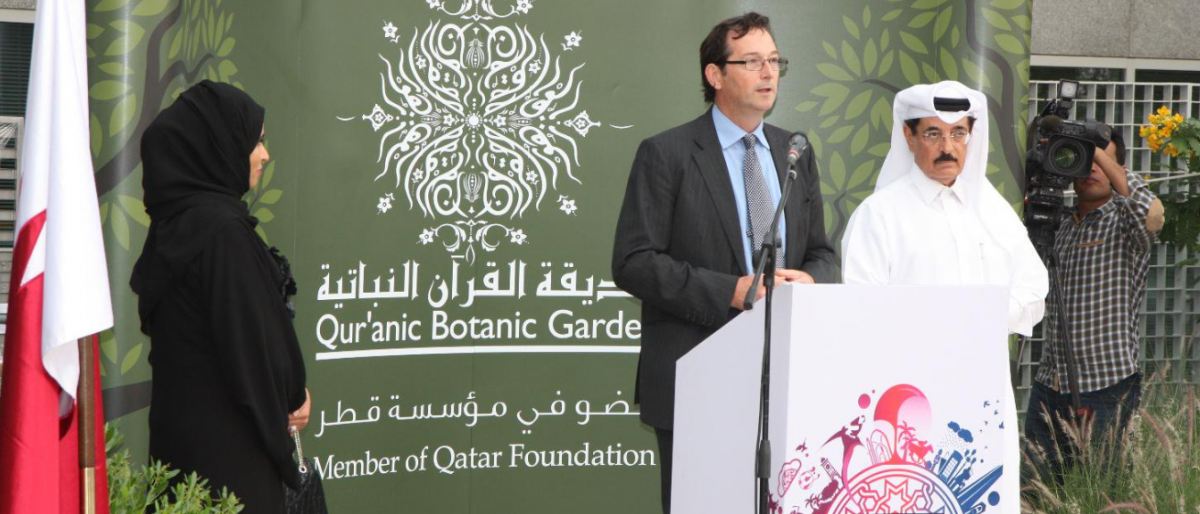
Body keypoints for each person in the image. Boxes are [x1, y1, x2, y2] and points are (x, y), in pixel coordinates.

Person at [611, 12, 838, 513]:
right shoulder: (667, 153)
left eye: (775, 61)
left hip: (787, 376)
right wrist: (728, 292)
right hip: (699, 372)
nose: (769, 72)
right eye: (752, 61)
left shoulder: (795, 152)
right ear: (715, 74)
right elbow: (633, 261)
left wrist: (811, 279)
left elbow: (822, 252)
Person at [840, 81, 1048, 508]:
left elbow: (1033, 288)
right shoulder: (879, 215)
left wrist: (982, 317)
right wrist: (936, 324)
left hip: (984, 395)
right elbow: (860, 310)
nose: (947, 147)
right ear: (909, 136)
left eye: (958, 134)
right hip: (910, 402)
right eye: (933, 133)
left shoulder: (992, 212)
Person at [131, 80, 310, 513]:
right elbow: (254, 345)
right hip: (233, 468)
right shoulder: (223, 234)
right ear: (220, 145)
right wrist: (292, 397)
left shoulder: (173, 230)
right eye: (256, 141)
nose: (265, 155)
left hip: (181, 459)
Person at [1023, 130, 1164, 480]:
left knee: (1103, 490)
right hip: (1050, 382)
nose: (1091, 168)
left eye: (1102, 159)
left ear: (1118, 168)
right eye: (1083, 159)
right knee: (1032, 489)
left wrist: (1091, 147)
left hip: (1107, 385)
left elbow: (1151, 211)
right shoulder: (1058, 223)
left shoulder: (1125, 222)